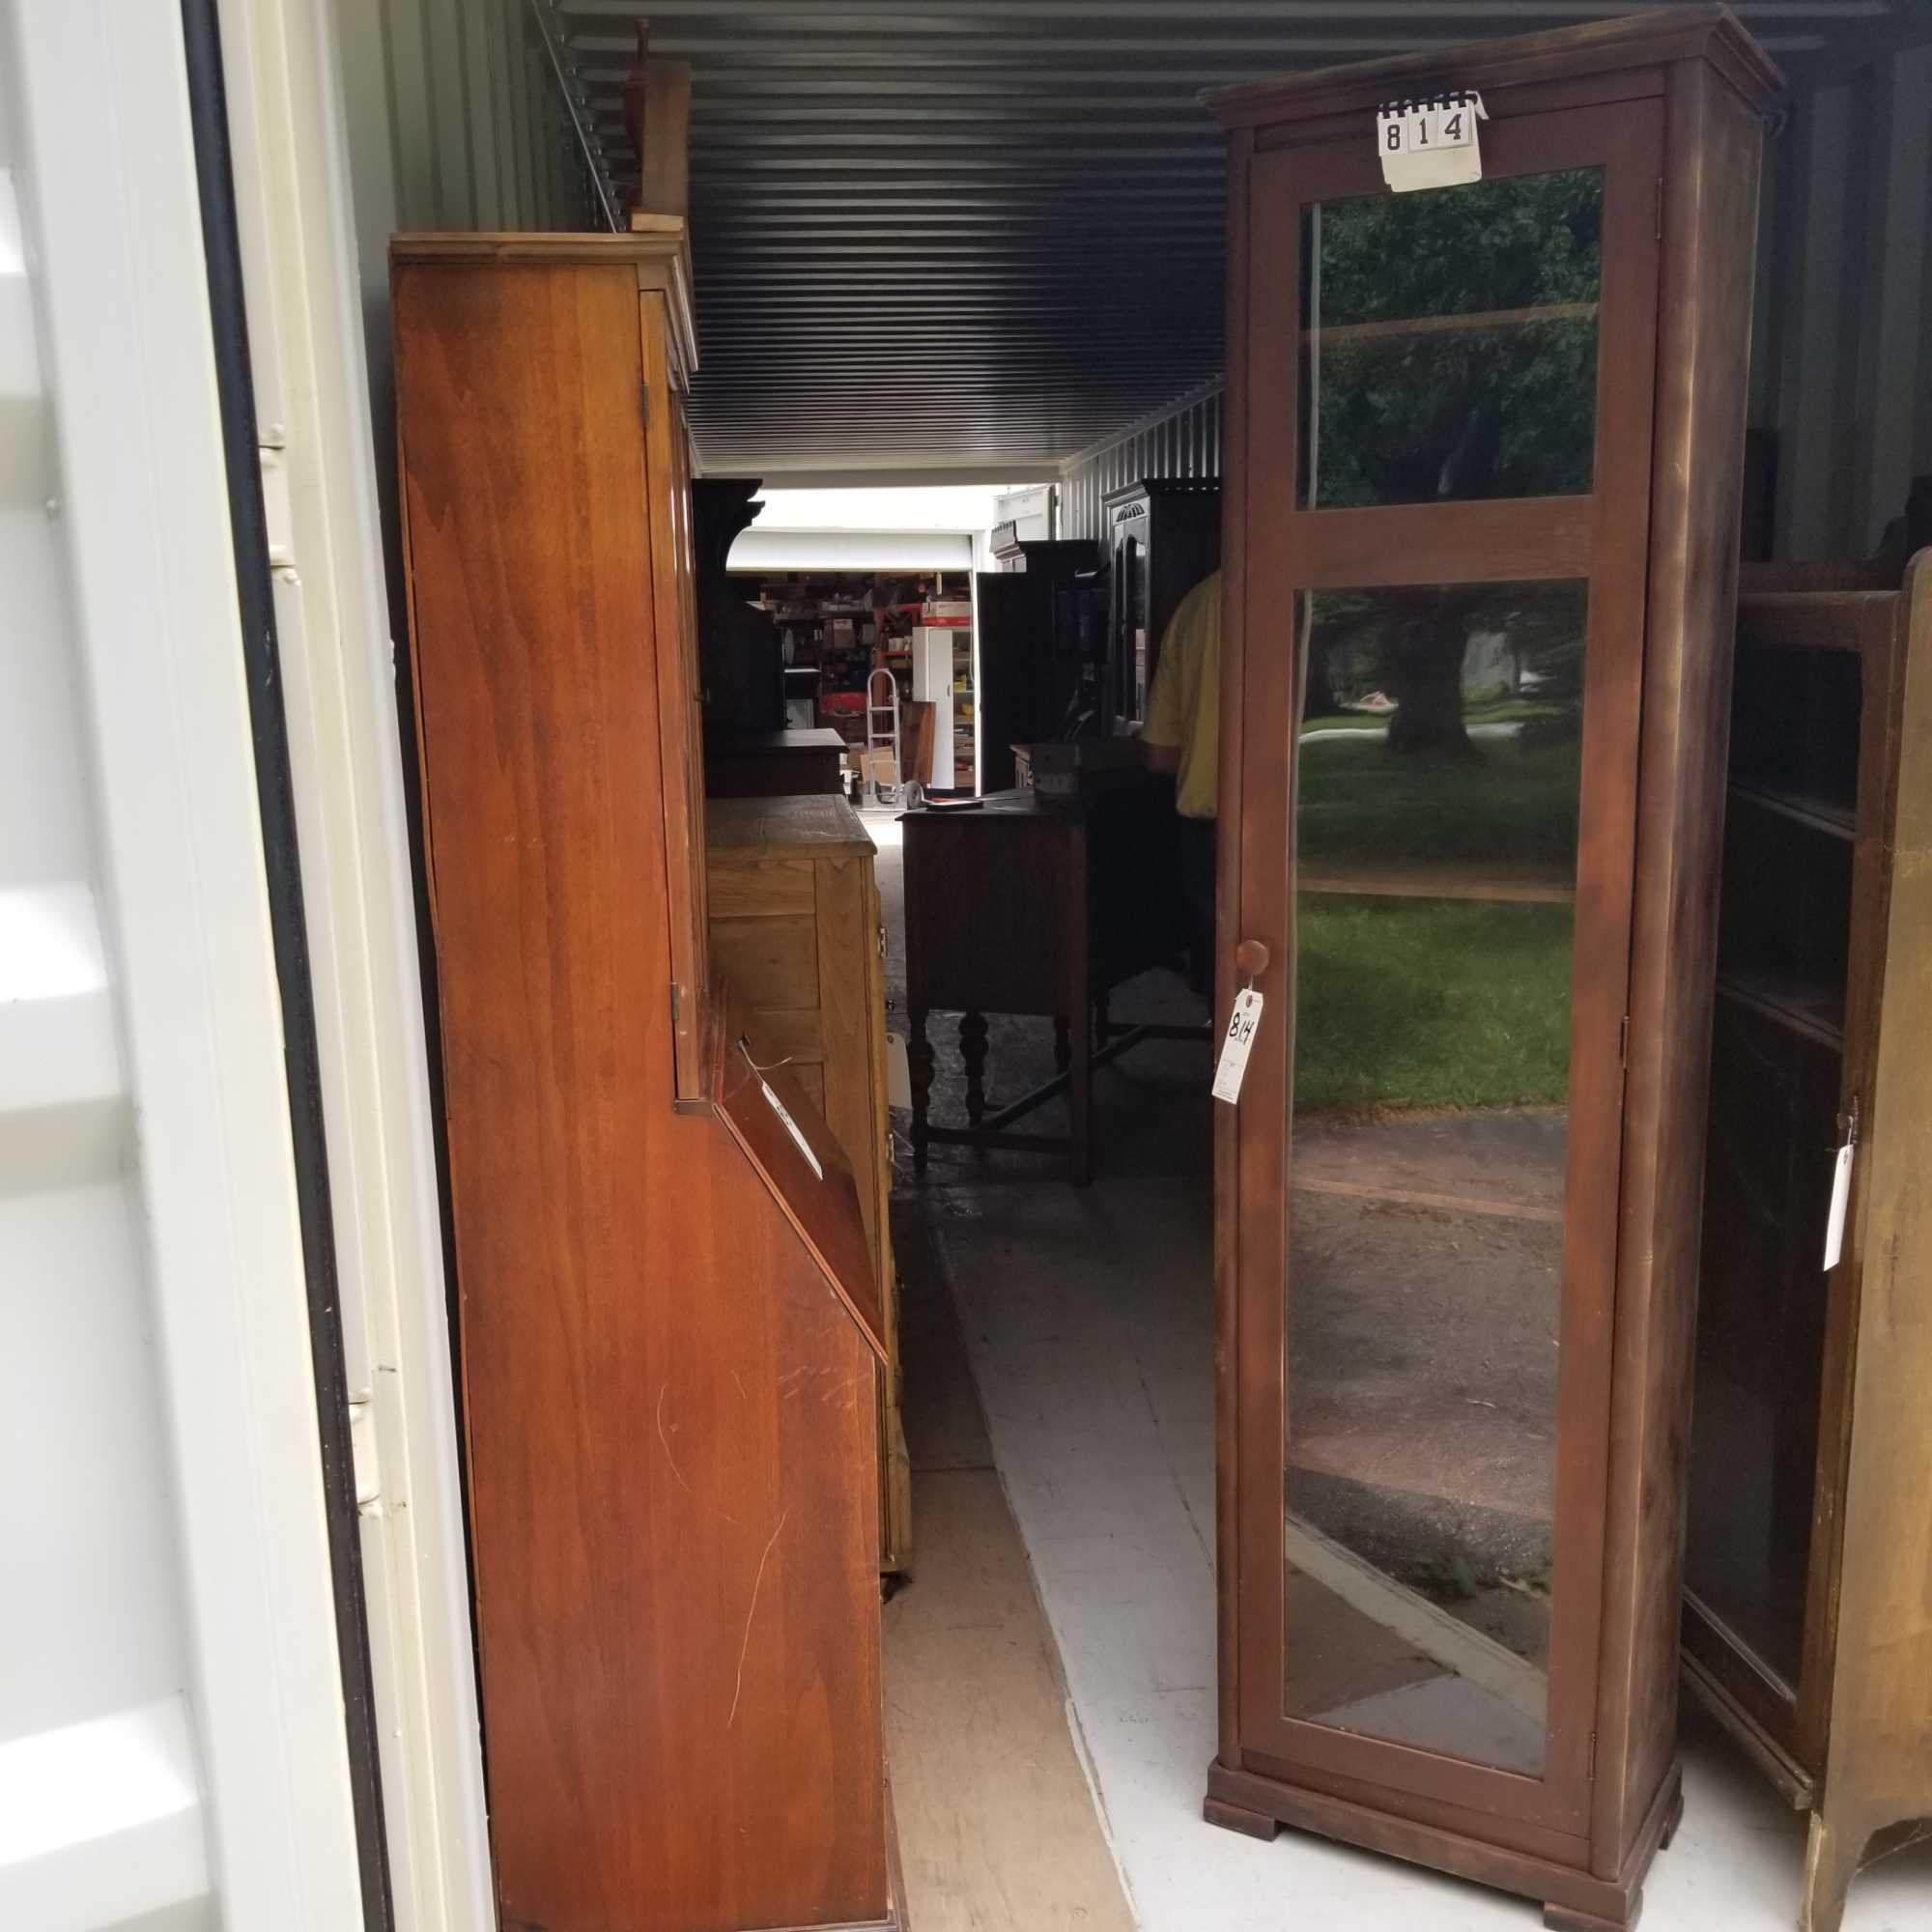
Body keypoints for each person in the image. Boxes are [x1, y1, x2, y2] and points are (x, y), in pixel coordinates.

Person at [1140, 568, 1221, 993]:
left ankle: (1224, 1057)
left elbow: (1160, 754)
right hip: (1296, 825)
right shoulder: (1304, 588)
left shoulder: (1197, 604)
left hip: (1208, 830)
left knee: (1223, 981)